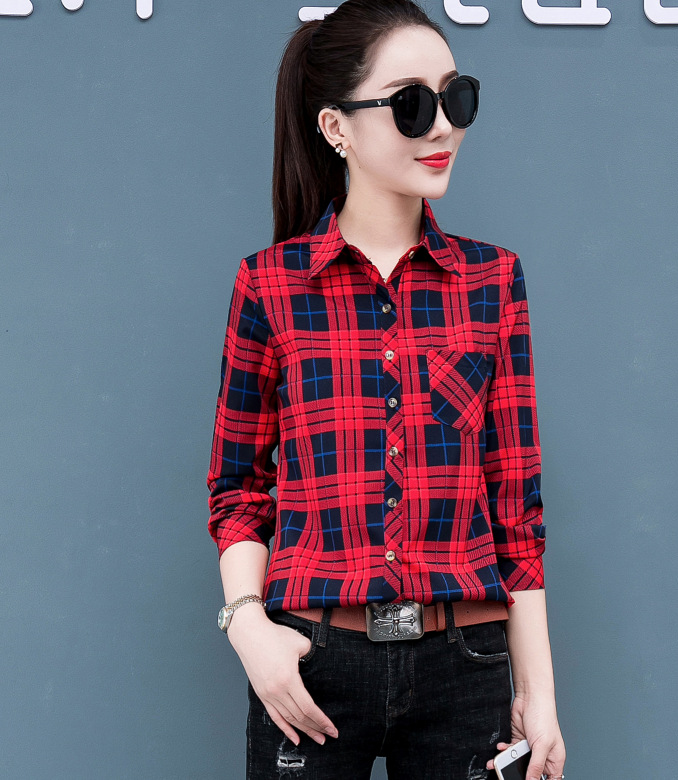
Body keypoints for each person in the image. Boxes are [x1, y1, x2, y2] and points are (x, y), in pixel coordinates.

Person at [206, 1, 567, 778]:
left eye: (455, 98)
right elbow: (238, 489)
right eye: (410, 104)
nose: (442, 128)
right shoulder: (269, 287)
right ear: (336, 127)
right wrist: (248, 628)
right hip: (310, 658)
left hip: (463, 663)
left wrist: (538, 695)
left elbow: (516, 510)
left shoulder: (492, 282)